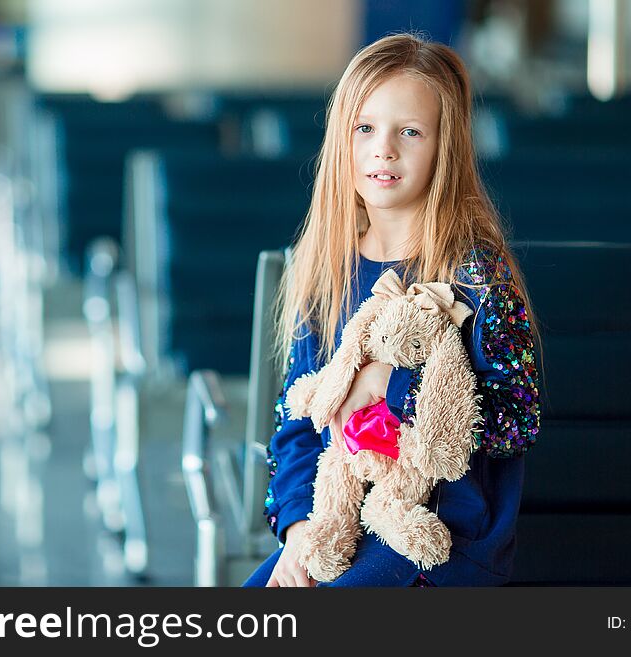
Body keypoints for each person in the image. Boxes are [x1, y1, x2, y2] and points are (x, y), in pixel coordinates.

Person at [243, 33, 541, 587]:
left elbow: (516, 421)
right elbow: (297, 423)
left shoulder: (476, 273)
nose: (384, 149)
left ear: (443, 148)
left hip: (443, 541)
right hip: (343, 526)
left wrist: (389, 380)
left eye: (410, 131)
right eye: (365, 128)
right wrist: (301, 530)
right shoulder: (325, 272)